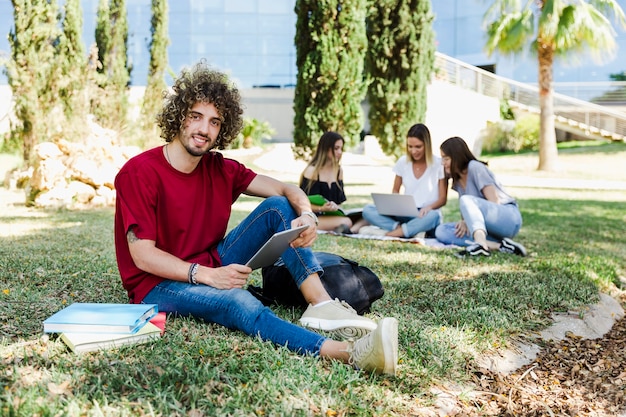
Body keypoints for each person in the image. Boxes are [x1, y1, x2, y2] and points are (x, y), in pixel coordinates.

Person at [113, 61, 398, 375]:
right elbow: (142, 256)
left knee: (279, 206)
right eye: (196, 116)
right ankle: (350, 353)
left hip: (210, 260)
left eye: (215, 122)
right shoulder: (139, 172)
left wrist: (306, 215)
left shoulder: (220, 168)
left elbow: (286, 189)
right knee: (238, 301)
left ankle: (321, 304)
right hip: (157, 284)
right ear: (179, 115)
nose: (204, 129)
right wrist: (208, 276)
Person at [434, 136, 527, 257]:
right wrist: (464, 221)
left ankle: (480, 244)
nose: (443, 163)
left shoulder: (474, 167)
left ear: (456, 157)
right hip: (486, 228)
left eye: (446, 158)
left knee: (466, 199)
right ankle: (499, 246)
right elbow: (466, 212)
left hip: (507, 218)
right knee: (442, 231)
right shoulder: (457, 181)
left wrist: (470, 221)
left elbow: (495, 203)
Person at [360, 123, 448, 238]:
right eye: (410, 146)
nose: (413, 151)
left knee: (434, 216)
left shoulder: (438, 164)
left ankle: (392, 233)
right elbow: (396, 189)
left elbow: (442, 199)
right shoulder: (403, 162)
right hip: (405, 212)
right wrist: (395, 205)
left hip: (425, 214)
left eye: (418, 147)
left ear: (427, 145)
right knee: (368, 210)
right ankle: (405, 229)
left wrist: (429, 207)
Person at [299, 131, 365, 234]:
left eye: (341, 148)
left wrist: (335, 208)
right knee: (346, 221)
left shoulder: (338, 171)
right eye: (336, 148)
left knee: (366, 216)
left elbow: (339, 202)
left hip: (332, 216)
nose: (340, 152)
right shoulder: (312, 171)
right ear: (326, 148)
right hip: (313, 216)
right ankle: (348, 230)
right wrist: (322, 208)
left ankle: (347, 230)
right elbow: (301, 204)